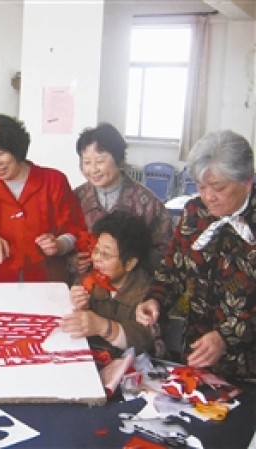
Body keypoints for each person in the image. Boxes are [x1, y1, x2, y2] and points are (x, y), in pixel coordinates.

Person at [136, 130, 256, 379]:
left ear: (247, 181)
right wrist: (155, 300)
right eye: (201, 187)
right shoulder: (194, 213)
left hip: (249, 365)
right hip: (198, 355)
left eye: (219, 188)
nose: (209, 197)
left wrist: (226, 336)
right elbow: (172, 271)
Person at [0, 114, 86, 283]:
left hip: (48, 281)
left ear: (16, 149)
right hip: (2, 283)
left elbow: (75, 229)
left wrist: (59, 244)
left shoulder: (54, 181)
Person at [73, 123, 173, 274]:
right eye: (87, 162)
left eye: (100, 161)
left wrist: (129, 265)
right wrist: (72, 261)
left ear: (119, 161)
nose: (93, 169)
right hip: (85, 289)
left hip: (132, 289)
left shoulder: (146, 202)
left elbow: (166, 249)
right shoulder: (76, 198)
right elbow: (64, 240)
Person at [61, 211, 157, 357]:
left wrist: (102, 326)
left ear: (130, 263)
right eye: (96, 250)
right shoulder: (86, 280)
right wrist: (77, 306)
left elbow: (143, 339)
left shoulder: (148, 293)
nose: (96, 258)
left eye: (105, 254)